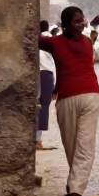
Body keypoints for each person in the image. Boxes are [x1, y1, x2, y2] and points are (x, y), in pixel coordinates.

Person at [39, 6, 99, 196]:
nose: (82, 23)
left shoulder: (54, 43)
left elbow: (31, 38)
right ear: (66, 24)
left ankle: (75, 190)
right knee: (79, 147)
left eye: (82, 20)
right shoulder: (86, 42)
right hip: (83, 96)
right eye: (77, 21)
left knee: (78, 146)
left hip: (76, 97)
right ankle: (74, 185)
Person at [36, 20, 57, 151]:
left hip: (38, 73)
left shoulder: (40, 40)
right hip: (46, 75)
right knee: (43, 107)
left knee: (39, 106)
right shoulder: (50, 40)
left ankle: (37, 138)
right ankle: (37, 140)